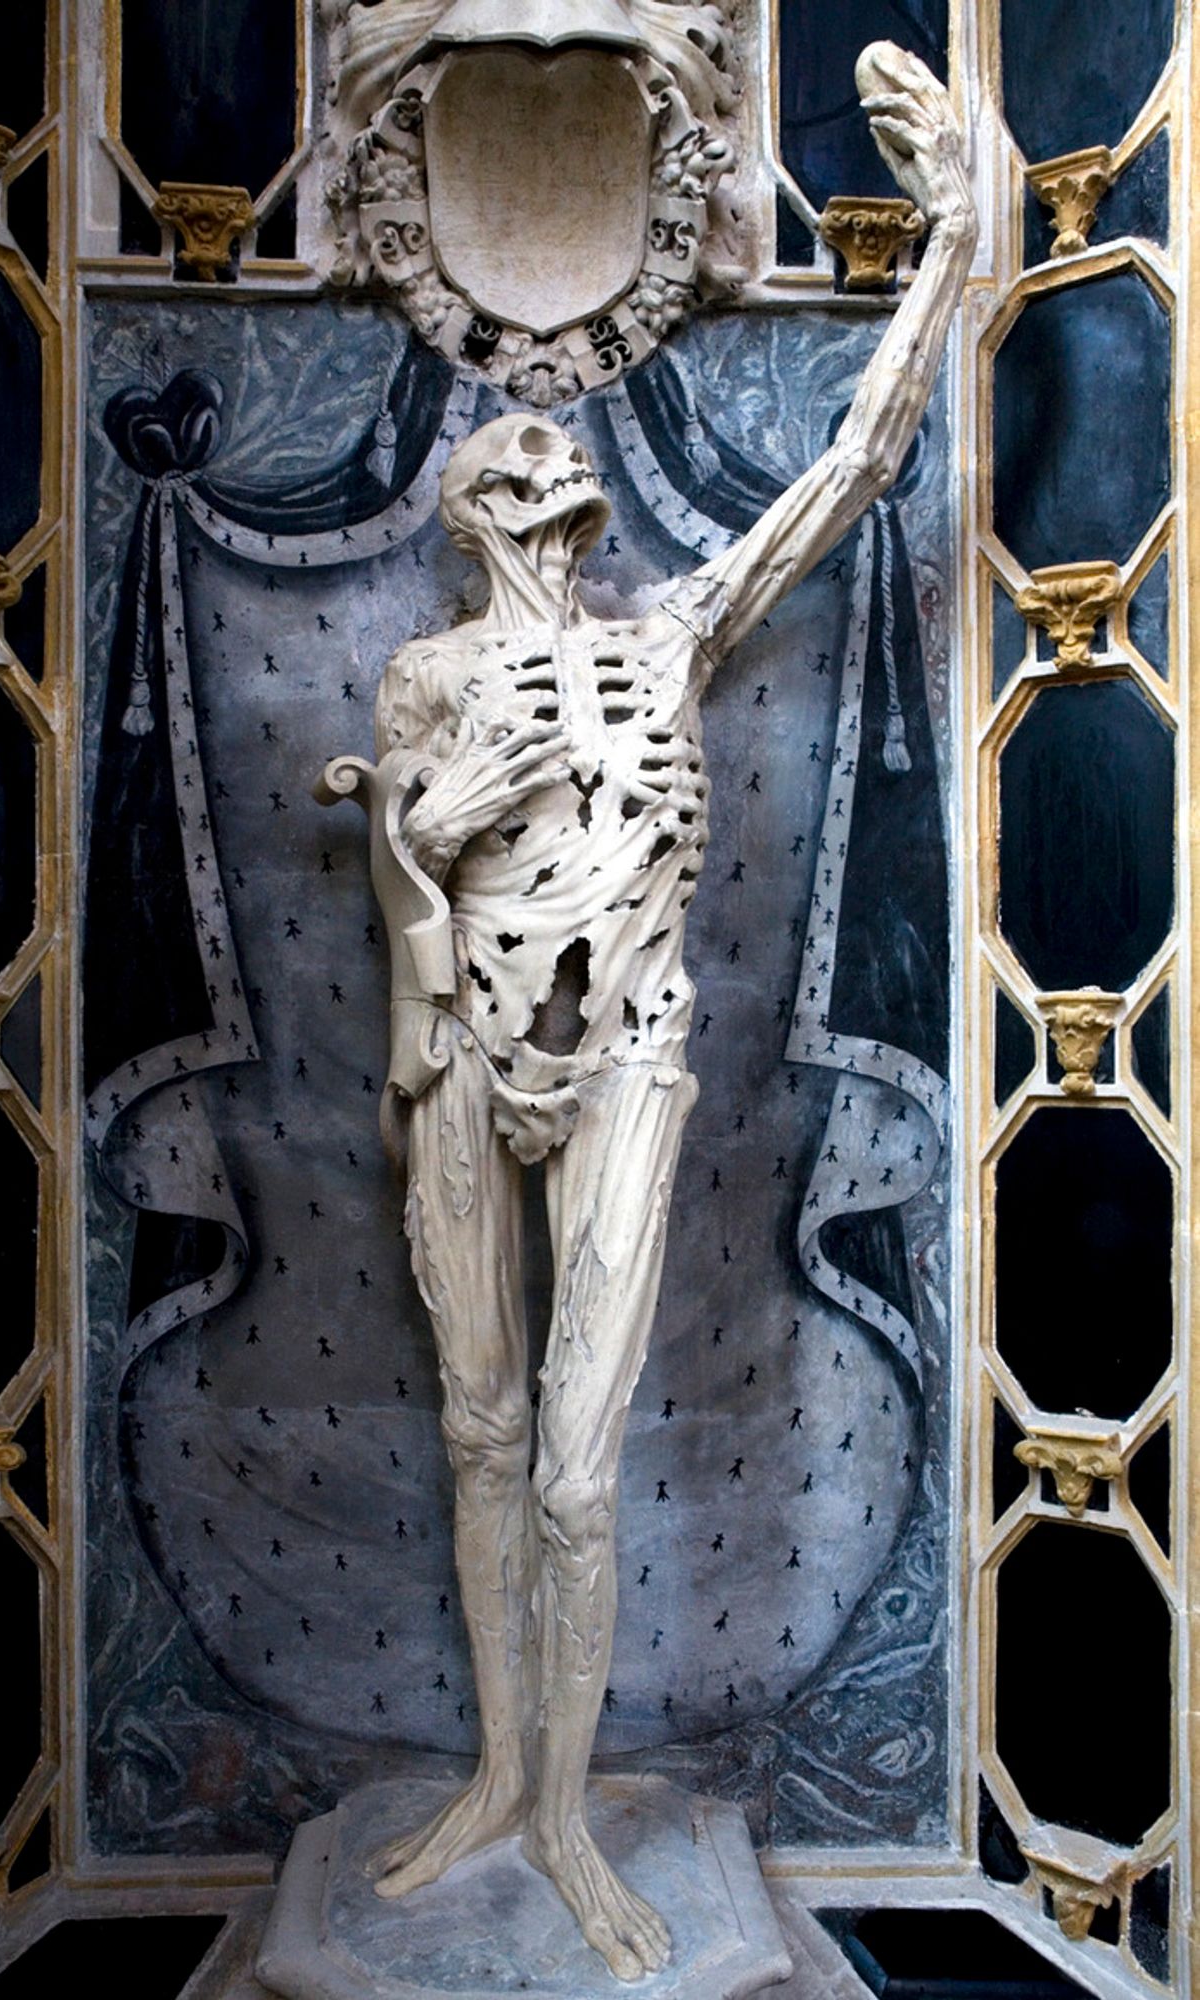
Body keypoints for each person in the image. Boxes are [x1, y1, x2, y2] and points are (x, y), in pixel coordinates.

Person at [326, 43, 974, 1982]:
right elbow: (405, 870)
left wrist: (952, 232)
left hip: (628, 1049)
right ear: (471, 510)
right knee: (473, 1424)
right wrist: (463, 801)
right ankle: (493, 1788)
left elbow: (852, 470)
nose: (550, 476)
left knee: (581, 1464)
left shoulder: (665, 634)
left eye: (561, 467)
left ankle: (564, 1808)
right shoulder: (430, 676)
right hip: (462, 1056)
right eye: (513, 467)